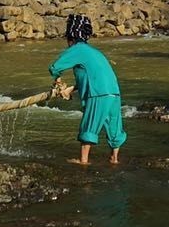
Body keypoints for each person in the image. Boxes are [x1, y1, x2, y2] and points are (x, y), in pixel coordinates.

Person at [48, 14, 126, 165]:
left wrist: (58, 83)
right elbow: (91, 75)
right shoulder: (95, 52)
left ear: (71, 37)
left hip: (98, 93)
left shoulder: (77, 49)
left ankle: (83, 161)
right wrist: (71, 89)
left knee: (89, 124)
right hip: (114, 92)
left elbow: (55, 67)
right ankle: (114, 159)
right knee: (114, 126)